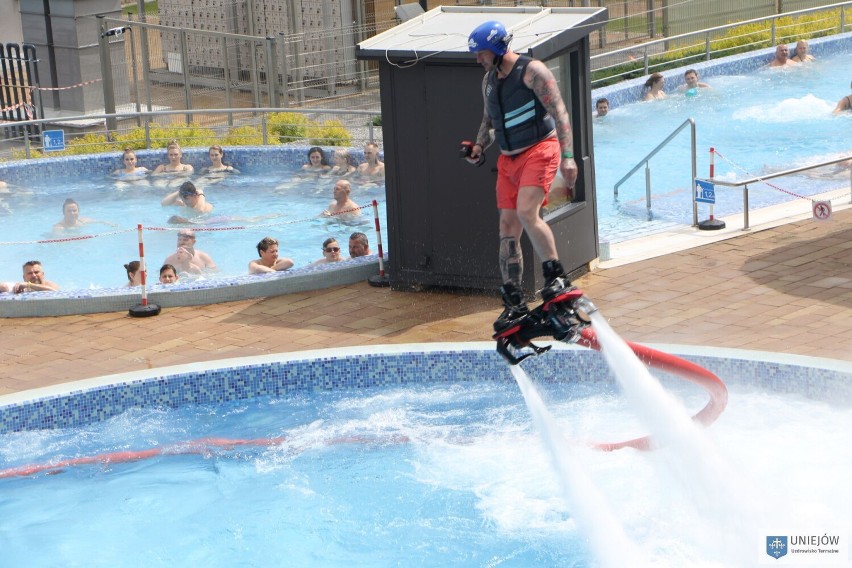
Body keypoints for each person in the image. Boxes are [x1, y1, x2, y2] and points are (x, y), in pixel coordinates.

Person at [465, 20, 577, 332]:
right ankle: (514, 301)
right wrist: (477, 147)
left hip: (540, 149)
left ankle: (556, 278)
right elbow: (489, 121)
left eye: (481, 53)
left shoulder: (533, 71)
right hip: (508, 159)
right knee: (507, 227)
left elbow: (560, 113)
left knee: (528, 213)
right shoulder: (489, 81)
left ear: (498, 48)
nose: (478, 60)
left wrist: (568, 157)